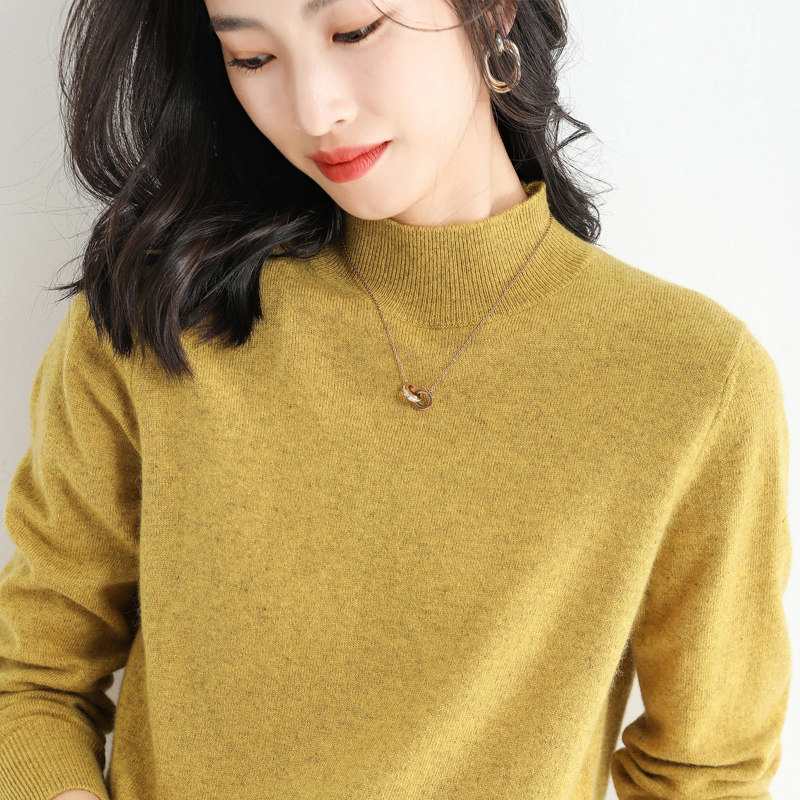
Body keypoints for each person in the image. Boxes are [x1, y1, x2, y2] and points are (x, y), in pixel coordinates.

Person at [0, 0, 791, 799]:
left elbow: (707, 776)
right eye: (252, 58)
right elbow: (30, 677)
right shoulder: (162, 320)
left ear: (492, 13)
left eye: (354, 31)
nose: (315, 111)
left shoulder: (691, 380)